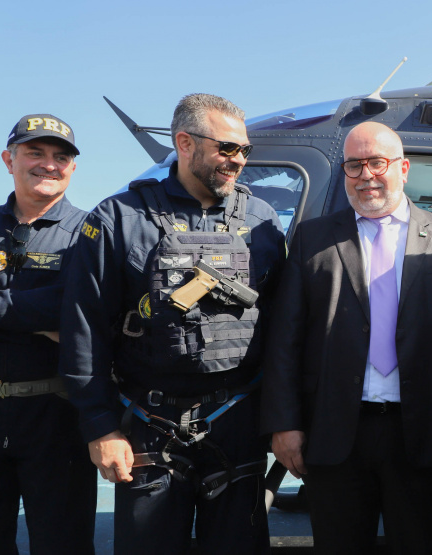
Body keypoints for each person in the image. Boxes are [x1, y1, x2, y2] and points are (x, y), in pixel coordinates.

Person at [60, 94, 285, 554]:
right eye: (226, 148)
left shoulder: (261, 221)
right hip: (148, 424)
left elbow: (283, 330)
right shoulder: (119, 218)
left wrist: (283, 421)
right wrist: (101, 428)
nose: (237, 161)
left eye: (244, 150)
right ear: (184, 142)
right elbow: (85, 331)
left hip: (238, 424)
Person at [261, 121, 432, 554]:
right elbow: (285, 339)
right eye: (354, 166)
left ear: (404, 168)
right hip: (335, 438)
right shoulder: (312, 238)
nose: (366, 176)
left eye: (377, 162)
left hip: (421, 439)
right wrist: (284, 424)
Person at [0, 115, 94, 554]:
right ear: (8, 159)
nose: (48, 164)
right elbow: (56, 310)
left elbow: (79, 312)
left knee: (62, 545)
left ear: (73, 168)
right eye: (35, 152)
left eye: (60, 157)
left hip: (58, 420)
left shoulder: (93, 234)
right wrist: (39, 315)